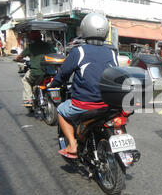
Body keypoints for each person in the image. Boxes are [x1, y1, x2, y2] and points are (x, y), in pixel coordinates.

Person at [49, 13, 118, 159]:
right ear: (105, 31)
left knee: (61, 111)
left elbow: (63, 74)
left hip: (85, 104)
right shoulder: (112, 53)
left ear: (85, 29)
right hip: (108, 103)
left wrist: (53, 84)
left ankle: (73, 145)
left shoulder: (79, 51)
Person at [15, 30, 56, 107]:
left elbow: (20, 57)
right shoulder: (49, 45)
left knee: (25, 80)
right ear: (40, 37)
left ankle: (28, 100)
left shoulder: (30, 47)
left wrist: (16, 59)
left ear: (31, 38)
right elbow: (55, 53)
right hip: (50, 72)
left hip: (36, 72)